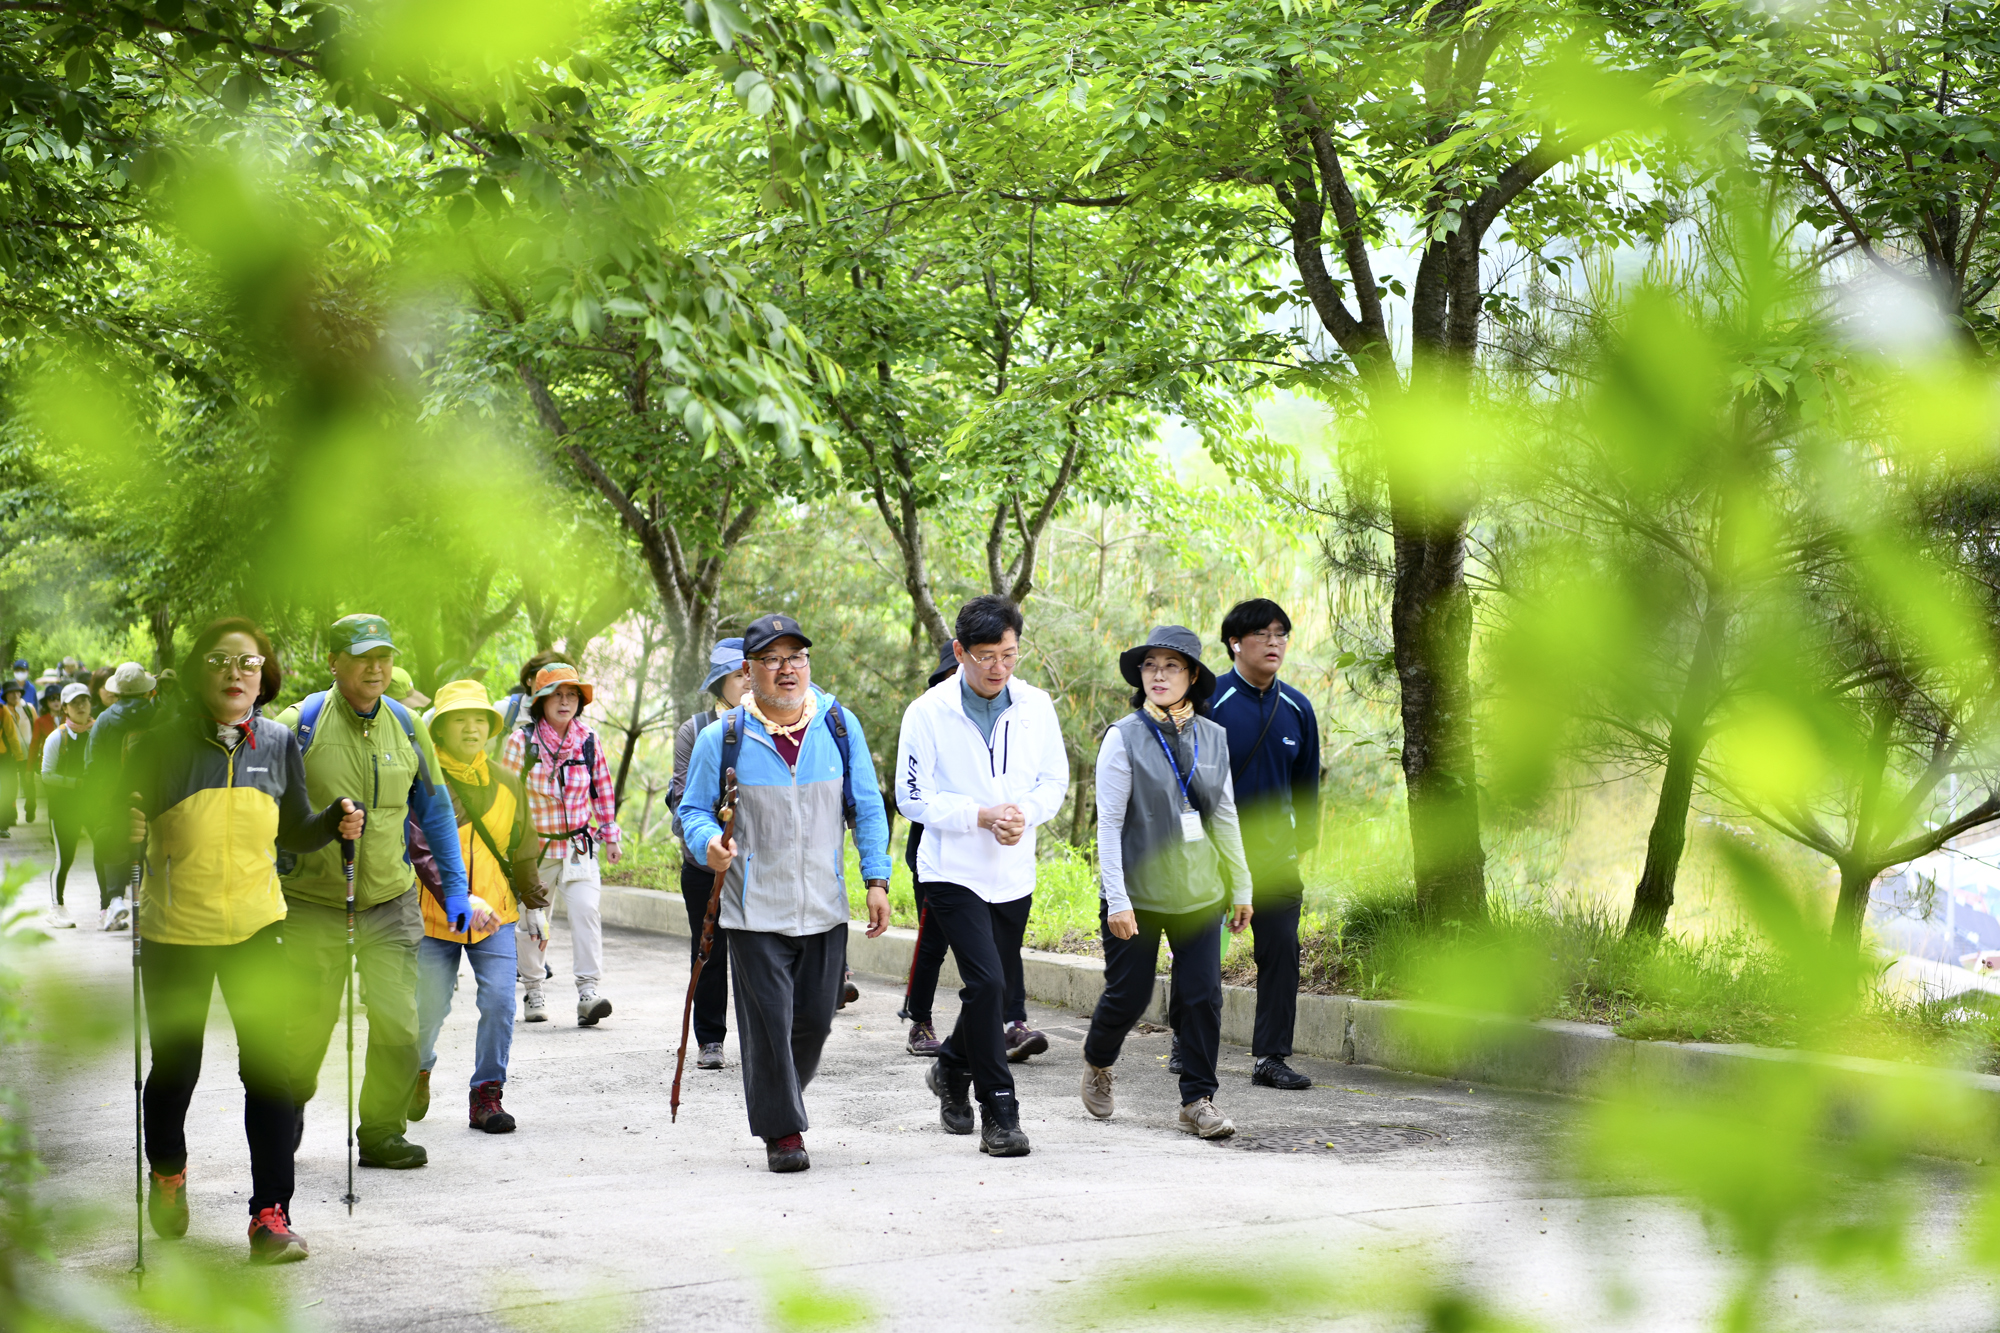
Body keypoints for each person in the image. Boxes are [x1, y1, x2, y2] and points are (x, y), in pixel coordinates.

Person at [126, 617, 365, 1263]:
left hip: (259, 926)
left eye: (249, 662)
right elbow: (114, 834)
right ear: (201, 670)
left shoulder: (280, 742)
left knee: (269, 1072)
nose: (235, 672)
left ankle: (270, 1215)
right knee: (178, 1066)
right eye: (221, 660)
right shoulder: (158, 745)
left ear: (264, 676)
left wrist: (337, 819)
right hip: (176, 931)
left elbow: (294, 831)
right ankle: (168, 1171)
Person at [677, 612, 893, 1173]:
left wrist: (876, 878)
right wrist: (708, 845)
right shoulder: (720, 738)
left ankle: (777, 1092)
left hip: (824, 905)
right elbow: (692, 811)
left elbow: (866, 805)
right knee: (769, 1023)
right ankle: (783, 1132)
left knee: (814, 1024)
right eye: (771, 660)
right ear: (748, 673)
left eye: (795, 657)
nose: (786, 669)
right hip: (753, 910)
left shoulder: (838, 726)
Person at [276, 614, 470, 1172]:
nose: (376, 667)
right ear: (334, 662)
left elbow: (433, 811)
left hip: (389, 901)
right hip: (312, 905)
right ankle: (285, 1113)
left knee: (399, 1026)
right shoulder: (299, 725)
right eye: (362, 657)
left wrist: (455, 889)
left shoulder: (409, 725)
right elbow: (263, 811)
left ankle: (382, 1132)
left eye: (383, 655)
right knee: (305, 1029)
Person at [896, 596, 1068, 1157]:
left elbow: (1052, 780)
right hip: (952, 870)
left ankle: (950, 1069)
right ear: (960, 652)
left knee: (986, 991)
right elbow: (912, 797)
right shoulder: (927, 712)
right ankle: (1000, 1111)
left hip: (1013, 872)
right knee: (990, 987)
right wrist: (978, 815)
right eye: (987, 655)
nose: (999, 667)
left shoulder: (1037, 706)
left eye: (1010, 654)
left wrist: (1025, 815)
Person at [1080, 625, 1252, 1140]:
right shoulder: (1124, 736)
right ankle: (1098, 1060)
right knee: (1129, 996)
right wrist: (1117, 898)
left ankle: (1198, 1100)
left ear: (1192, 676)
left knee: (1202, 996)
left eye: (1171, 665)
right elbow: (1108, 824)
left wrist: (1241, 887)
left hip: (1200, 891)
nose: (1158, 674)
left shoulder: (1214, 738)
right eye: (1150, 665)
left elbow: (1224, 816)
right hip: (1136, 892)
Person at [414, 680, 539, 1134]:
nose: (471, 728)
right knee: (427, 1008)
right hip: (434, 916)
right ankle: (418, 1069)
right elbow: (419, 847)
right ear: (440, 730)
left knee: (501, 1002)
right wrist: (456, 894)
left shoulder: (507, 782)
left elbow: (522, 846)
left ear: (489, 728)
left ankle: (487, 1093)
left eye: (478, 720)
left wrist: (535, 904)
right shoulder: (424, 781)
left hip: (496, 916)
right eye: (458, 720)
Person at [1207, 599, 1322, 1091]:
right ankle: (1188, 1041)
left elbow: (1308, 788)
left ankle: (1271, 1057)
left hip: (1275, 858)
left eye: (1282, 634)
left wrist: (1299, 845)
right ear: (1235, 641)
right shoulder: (1209, 701)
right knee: (1200, 951)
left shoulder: (1298, 708)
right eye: (1263, 634)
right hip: (1212, 856)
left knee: (1281, 953)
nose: (1275, 643)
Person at [499, 662, 622, 1026]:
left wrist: (610, 834)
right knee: (534, 922)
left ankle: (588, 992)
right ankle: (534, 990)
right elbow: (504, 800)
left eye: (572, 695)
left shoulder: (587, 740)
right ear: (540, 702)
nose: (565, 701)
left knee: (587, 912)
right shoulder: (521, 742)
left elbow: (602, 790)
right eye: (557, 695)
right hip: (533, 853)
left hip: (579, 847)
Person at [666, 637, 750, 1069]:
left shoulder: (777, 724)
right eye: (740, 675)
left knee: (760, 953)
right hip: (704, 863)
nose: (749, 681)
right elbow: (684, 799)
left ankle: (765, 1039)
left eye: (753, 671)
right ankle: (710, 1039)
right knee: (709, 949)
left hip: (757, 863)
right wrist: (710, 842)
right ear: (721, 683)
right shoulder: (695, 730)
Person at [899, 642, 960, 1057]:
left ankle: (1008, 1023)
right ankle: (919, 1021)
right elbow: (913, 794)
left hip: (986, 850)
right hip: (932, 848)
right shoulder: (925, 720)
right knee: (933, 941)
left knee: (994, 945)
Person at [84, 662, 158, 928]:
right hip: (154, 795)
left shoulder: (104, 720)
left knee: (114, 841)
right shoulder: (159, 716)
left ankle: (115, 899)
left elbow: (92, 765)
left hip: (116, 795)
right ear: (147, 691)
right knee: (153, 844)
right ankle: (152, 900)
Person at [39, 683, 95, 926]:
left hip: (95, 805)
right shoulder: (56, 737)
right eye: (75, 702)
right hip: (64, 808)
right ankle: (56, 907)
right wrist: (75, 784)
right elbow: (45, 774)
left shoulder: (98, 733)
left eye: (84, 700)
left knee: (105, 850)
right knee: (65, 858)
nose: (81, 706)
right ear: (65, 708)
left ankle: (108, 907)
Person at [0, 680, 25, 837]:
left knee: (6, 790)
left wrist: (19, 758)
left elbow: (11, 736)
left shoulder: (2, 712)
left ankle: (2, 825)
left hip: (3, 757)